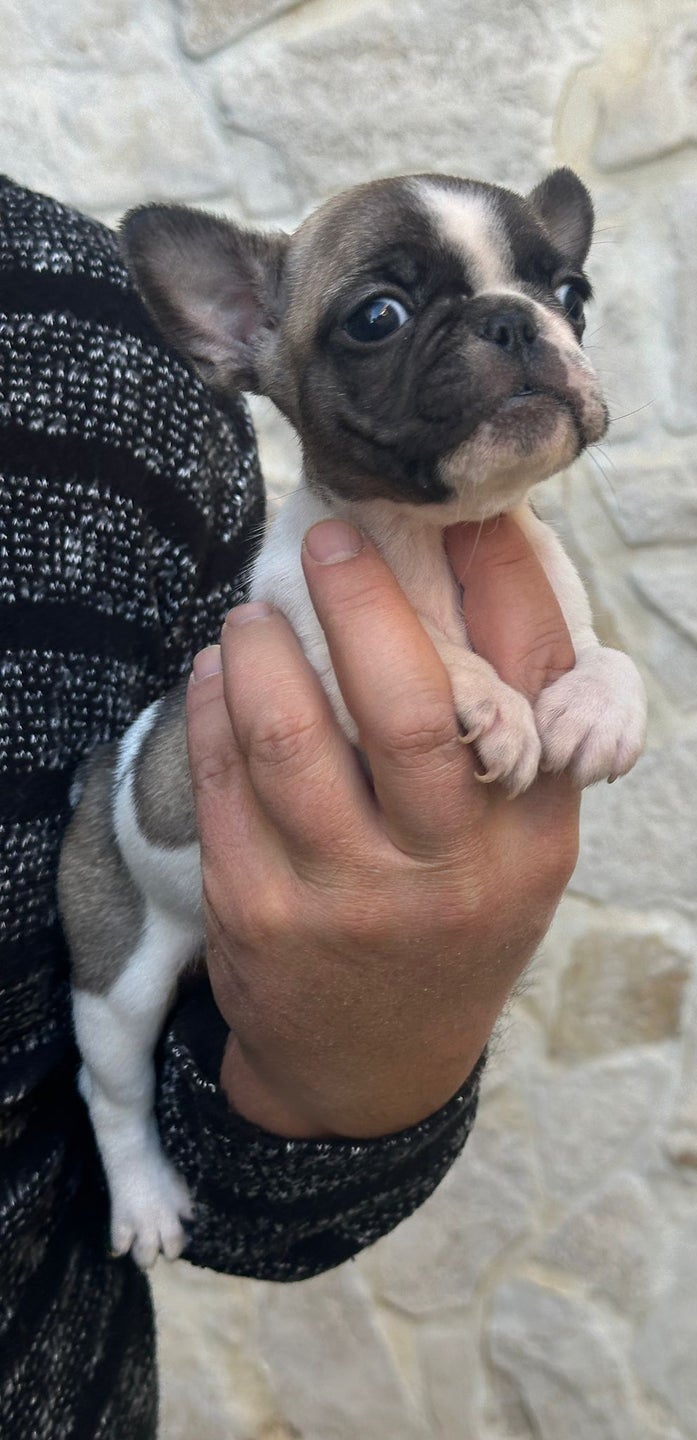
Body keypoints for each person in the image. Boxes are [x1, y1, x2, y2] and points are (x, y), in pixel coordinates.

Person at [0, 176, 580, 1437]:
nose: (513, 329)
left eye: (554, 292)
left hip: (77, 1379)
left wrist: (382, 1048)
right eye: (378, 317)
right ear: (237, 336)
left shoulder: (109, 355)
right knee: (122, 1002)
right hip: (136, 886)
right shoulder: (131, 364)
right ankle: (125, 1161)